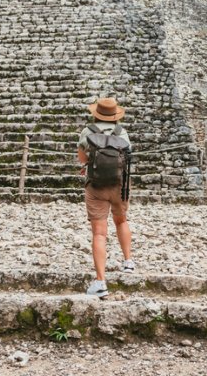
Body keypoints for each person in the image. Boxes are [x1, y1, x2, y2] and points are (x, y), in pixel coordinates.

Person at [77, 97, 134, 298]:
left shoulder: (88, 132)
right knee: (121, 221)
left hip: (96, 187)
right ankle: (128, 262)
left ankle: (100, 281)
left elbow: (82, 159)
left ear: (96, 113)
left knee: (99, 233)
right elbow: (128, 157)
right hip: (120, 186)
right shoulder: (122, 132)